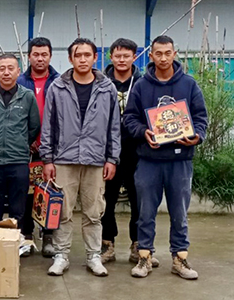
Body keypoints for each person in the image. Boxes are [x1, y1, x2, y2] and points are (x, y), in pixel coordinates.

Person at [123, 35, 208, 280]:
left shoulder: (189, 85)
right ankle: (144, 257)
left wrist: (196, 136)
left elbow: (201, 117)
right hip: (148, 160)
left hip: (180, 161)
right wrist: (143, 132)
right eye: (158, 53)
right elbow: (129, 118)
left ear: (174, 54)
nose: (163, 58)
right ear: (151, 56)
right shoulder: (141, 86)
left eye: (167, 53)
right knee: (145, 213)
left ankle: (179, 259)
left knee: (179, 214)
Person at [40, 38, 121, 278]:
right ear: (70, 59)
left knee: (94, 212)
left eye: (87, 55)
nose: (83, 59)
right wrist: (47, 159)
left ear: (95, 58)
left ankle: (93, 255)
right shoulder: (57, 87)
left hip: (95, 160)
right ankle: (61, 255)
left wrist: (112, 158)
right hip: (64, 159)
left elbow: (114, 126)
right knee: (62, 211)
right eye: (78, 55)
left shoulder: (107, 88)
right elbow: (48, 126)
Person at [100, 38, 160, 268]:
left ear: (135, 57)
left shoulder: (144, 83)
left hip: (138, 148)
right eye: (117, 56)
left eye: (127, 56)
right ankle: (107, 243)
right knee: (107, 198)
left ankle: (139, 245)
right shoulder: (101, 83)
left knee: (139, 199)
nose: (122, 60)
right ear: (111, 57)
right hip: (108, 150)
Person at [0, 54, 40, 232]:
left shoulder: (27, 96)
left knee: (18, 208)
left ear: (18, 71)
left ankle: (17, 241)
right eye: (2, 69)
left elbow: (34, 126)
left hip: (18, 162)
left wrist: (20, 142)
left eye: (11, 68)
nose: (6, 72)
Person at [16, 37, 60, 257]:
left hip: (52, 148)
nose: (40, 58)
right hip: (27, 147)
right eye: (36, 54)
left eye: (44, 54)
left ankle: (49, 235)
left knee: (49, 192)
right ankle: (26, 235)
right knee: (26, 192)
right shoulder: (20, 82)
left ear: (50, 56)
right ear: (29, 56)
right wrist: (28, 139)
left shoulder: (59, 82)